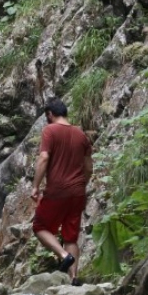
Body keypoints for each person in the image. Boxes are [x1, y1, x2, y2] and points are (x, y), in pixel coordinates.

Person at [30, 97, 93, 284]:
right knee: (70, 236)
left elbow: (43, 158)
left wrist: (35, 186)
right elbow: (89, 168)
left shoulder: (50, 130)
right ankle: (74, 279)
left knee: (40, 227)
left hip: (57, 191)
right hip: (78, 192)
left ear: (50, 114)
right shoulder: (81, 135)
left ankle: (64, 255)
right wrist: (82, 185)